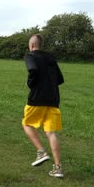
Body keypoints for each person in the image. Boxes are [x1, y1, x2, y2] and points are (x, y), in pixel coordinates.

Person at [22, 34, 65, 178]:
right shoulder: (51, 58)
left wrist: (30, 83)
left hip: (37, 99)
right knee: (51, 133)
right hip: (53, 99)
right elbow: (60, 79)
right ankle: (58, 168)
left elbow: (32, 70)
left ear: (32, 46)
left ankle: (41, 152)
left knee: (27, 124)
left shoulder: (31, 55)